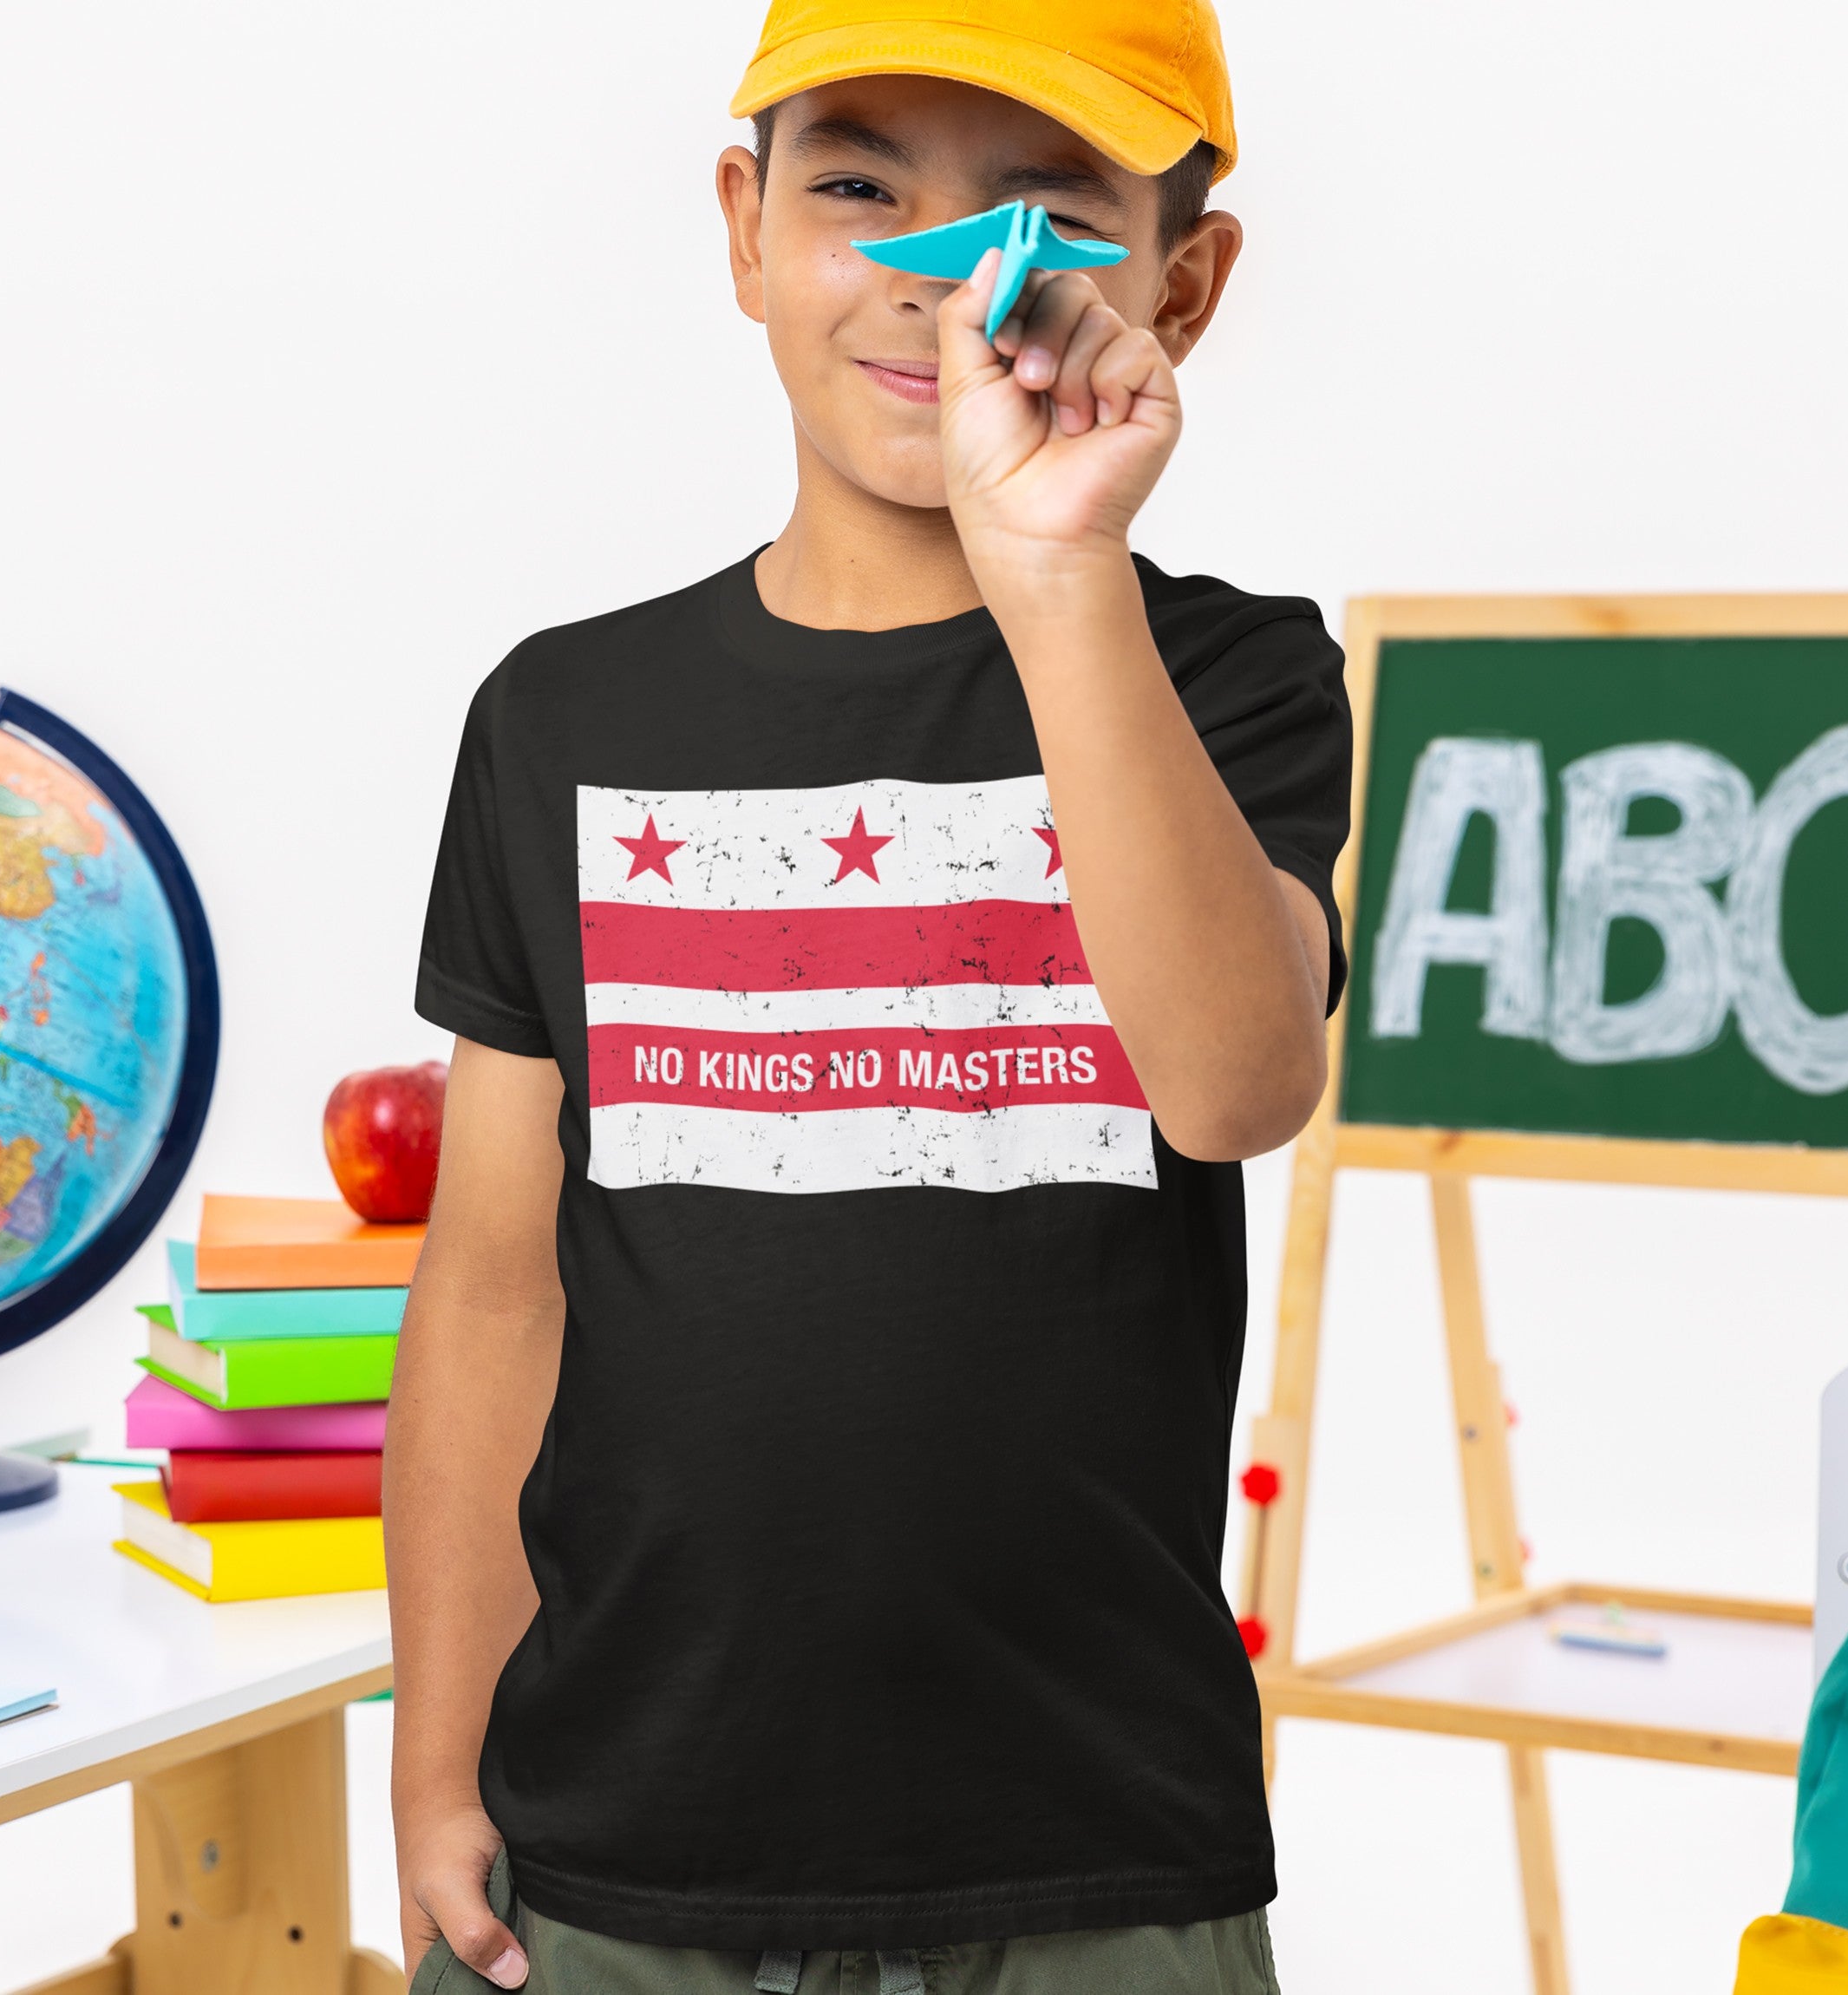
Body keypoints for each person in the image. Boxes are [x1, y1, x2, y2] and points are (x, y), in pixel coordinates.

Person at [389, 4, 1350, 1992]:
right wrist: (436, 1742)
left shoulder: (1228, 678)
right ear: (744, 230)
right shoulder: (561, 714)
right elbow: (497, 1282)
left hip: (1098, 1848)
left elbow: (1237, 1081)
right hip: (618, 1847)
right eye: (858, 189)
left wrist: (1057, 564)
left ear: (1182, 278)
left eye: (1042, 212)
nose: (941, 274)